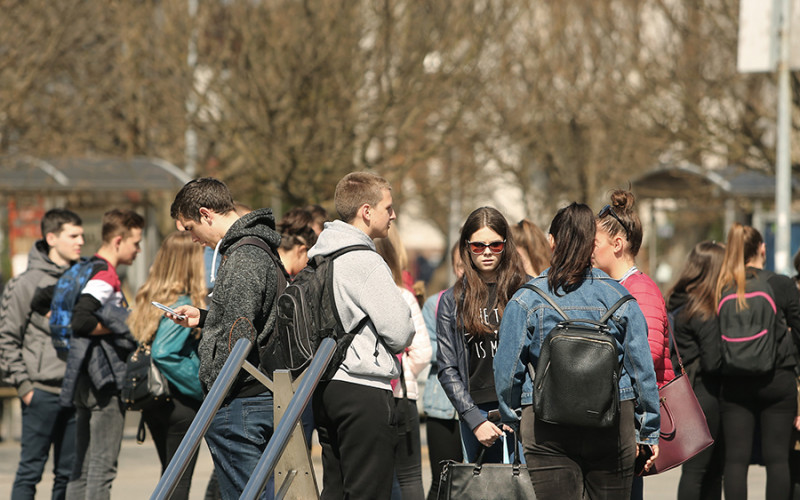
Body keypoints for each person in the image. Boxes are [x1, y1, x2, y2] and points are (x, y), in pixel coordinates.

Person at [495, 202, 661, 499]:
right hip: (611, 423)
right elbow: (641, 369)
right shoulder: (621, 298)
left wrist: (514, 416)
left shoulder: (526, 299)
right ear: (592, 245)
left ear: (552, 241)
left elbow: (507, 370)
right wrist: (647, 430)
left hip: (545, 425)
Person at [166, 177, 284, 500]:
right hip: (252, 394)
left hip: (239, 399)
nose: (193, 239)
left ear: (206, 214)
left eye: (190, 228)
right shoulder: (256, 249)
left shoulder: (245, 257)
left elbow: (239, 334)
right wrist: (206, 318)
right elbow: (248, 320)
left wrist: (214, 390)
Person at [309, 171, 415, 499]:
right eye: (388, 207)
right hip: (363, 389)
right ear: (366, 211)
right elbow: (400, 332)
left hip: (325, 385)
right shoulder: (366, 261)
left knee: (336, 489)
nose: (393, 215)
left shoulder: (320, 256)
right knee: (368, 491)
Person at [592, 189, 673, 498]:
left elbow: (648, 356)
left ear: (617, 244)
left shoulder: (641, 290)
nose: (589, 249)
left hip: (631, 419)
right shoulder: (615, 287)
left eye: (595, 243)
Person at [0, 209, 84, 500]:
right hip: (40, 393)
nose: (81, 241)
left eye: (81, 235)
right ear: (51, 238)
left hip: (76, 392)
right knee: (30, 472)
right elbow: (7, 339)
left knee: (68, 475)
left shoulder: (84, 279)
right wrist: (25, 387)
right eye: (73, 235)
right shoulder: (25, 283)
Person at [60, 209, 144, 500]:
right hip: (103, 381)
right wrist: (121, 326)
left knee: (82, 466)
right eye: (136, 243)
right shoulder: (105, 275)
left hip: (82, 375)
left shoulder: (83, 267)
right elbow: (81, 319)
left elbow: (47, 300)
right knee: (101, 468)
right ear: (118, 241)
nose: (138, 250)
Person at [715, 223, 800, 500]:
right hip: (777, 379)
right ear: (762, 249)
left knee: (735, 460)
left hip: (734, 382)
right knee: (777, 460)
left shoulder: (722, 286)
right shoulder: (781, 284)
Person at [436, 206, 528, 464]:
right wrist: (474, 419)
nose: (487, 252)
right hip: (478, 413)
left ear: (506, 246)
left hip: (522, 409)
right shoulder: (452, 300)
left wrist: (522, 409)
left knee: (526, 484)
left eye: (495, 245)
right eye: (478, 246)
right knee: (485, 483)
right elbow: (447, 368)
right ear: (467, 247)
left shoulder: (528, 290)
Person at [127, 232, 207, 500]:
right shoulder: (182, 303)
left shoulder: (148, 298)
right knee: (178, 483)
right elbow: (164, 352)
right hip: (180, 401)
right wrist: (203, 389)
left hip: (154, 398)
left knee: (169, 478)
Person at [665, 241, 726, 500]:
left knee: (696, 470)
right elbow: (713, 362)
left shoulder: (678, 301)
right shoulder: (704, 310)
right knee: (705, 471)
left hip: (686, 392)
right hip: (706, 396)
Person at [375, 228, 432, 500]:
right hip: (402, 396)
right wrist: (405, 368)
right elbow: (423, 351)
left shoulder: (352, 295)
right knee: (409, 477)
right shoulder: (404, 296)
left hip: (369, 396)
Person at [421, 242, 464, 500]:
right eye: (459, 265)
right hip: (443, 407)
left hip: (480, 408)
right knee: (443, 481)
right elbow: (429, 348)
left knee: (476, 480)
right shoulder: (435, 304)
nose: (464, 271)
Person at [276, 207, 318, 276]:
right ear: (301, 251)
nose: (307, 265)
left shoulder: (267, 265)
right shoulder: (289, 280)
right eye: (309, 258)